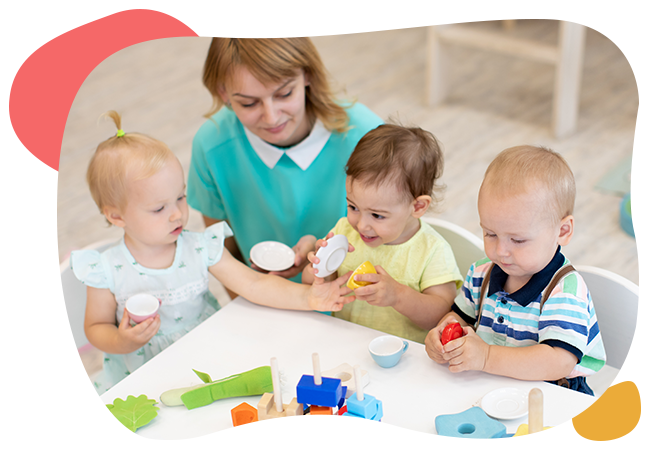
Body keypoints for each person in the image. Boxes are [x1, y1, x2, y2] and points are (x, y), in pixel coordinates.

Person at [71, 112, 355, 404]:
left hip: (206, 363)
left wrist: (310, 298)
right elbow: (96, 327)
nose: (177, 213)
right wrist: (121, 341)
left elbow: (255, 285)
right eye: (159, 209)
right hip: (142, 380)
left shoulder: (198, 247)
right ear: (116, 216)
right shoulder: (106, 271)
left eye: (180, 197)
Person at [187, 17, 383, 283]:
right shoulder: (212, 146)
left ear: (307, 75)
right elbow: (222, 254)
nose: (271, 117)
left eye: (284, 94)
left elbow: (398, 241)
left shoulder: (367, 137)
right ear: (223, 93)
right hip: (263, 304)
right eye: (248, 103)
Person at [424, 146, 606, 395]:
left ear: (562, 231)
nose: (501, 251)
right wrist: (442, 333)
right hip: (488, 385)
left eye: (517, 240)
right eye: (490, 234)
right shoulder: (481, 272)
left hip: (554, 394)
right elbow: (459, 317)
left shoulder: (565, 290)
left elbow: (559, 361)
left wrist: (487, 356)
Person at [302, 124, 464, 343]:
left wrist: (398, 296)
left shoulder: (432, 250)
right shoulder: (344, 231)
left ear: (417, 207)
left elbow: (442, 316)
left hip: (405, 360)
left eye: (377, 215)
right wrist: (319, 268)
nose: (361, 225)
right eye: (353, 207)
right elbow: (309, 285)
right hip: (344, 344)